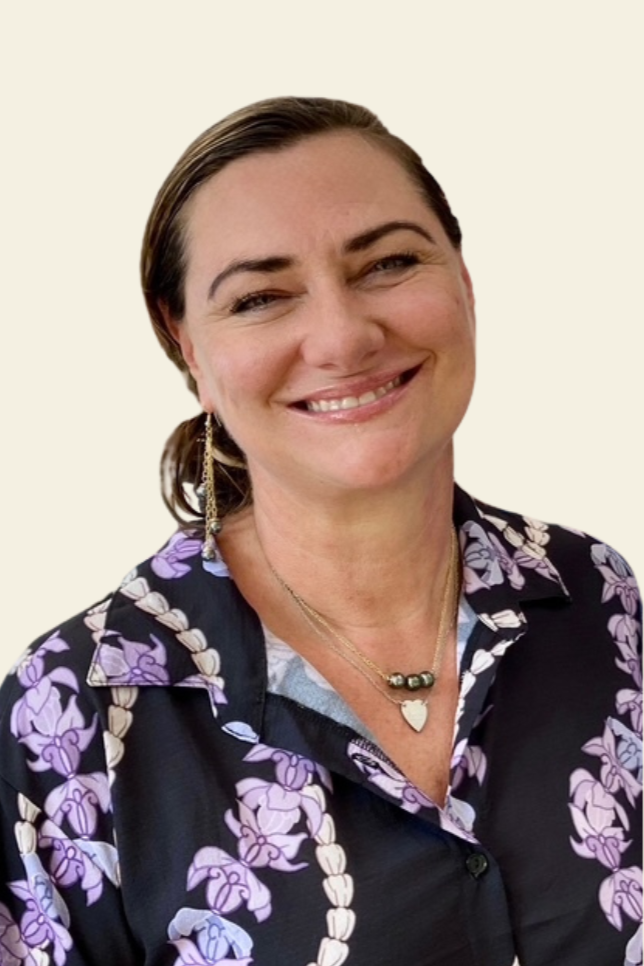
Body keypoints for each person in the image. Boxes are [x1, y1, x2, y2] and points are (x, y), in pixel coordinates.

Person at [0, 97, 640, 966]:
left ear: (463, 279)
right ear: (186, 346)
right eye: (262, 296)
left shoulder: (595, 598)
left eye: (388, 263)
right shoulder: (74, 717)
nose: (342, 336)